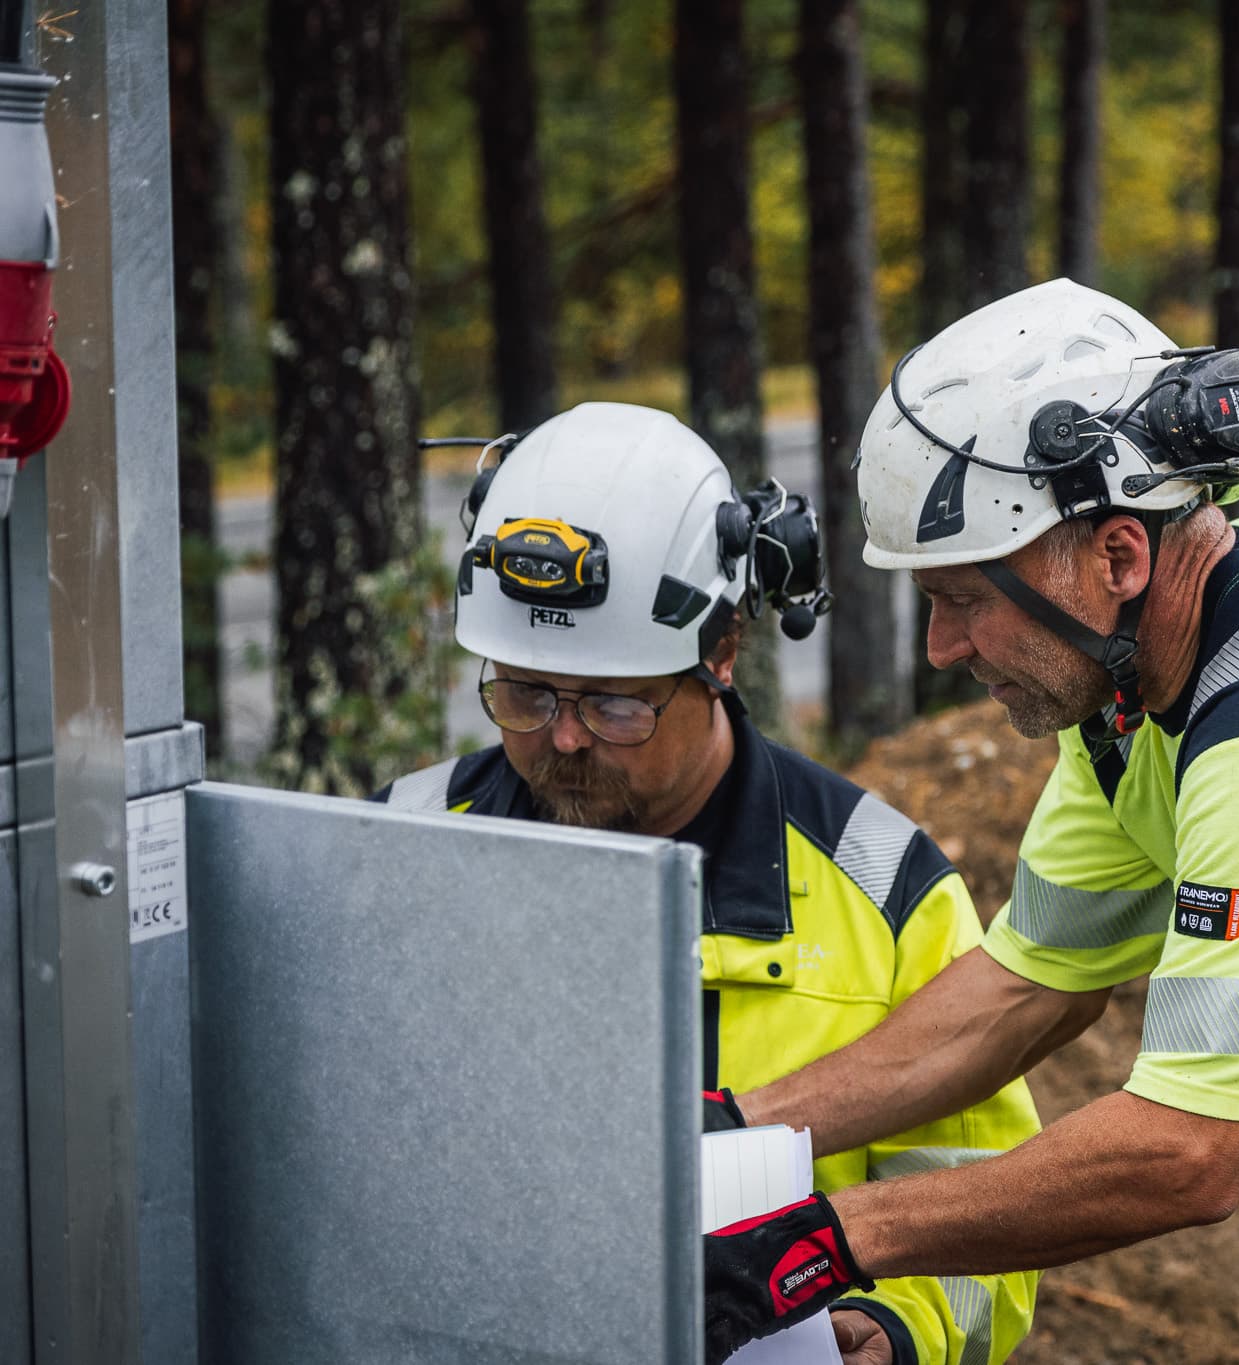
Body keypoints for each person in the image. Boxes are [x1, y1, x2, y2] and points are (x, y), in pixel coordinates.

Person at [699, 280, 1239, 1361]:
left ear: (1117, 556)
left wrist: (824, 1241)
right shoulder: (1141, 696)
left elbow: (1188, 1154)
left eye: (963, 599)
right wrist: (730, 1130)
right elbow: (1021, 994)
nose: (939, 650)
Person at [376, 401, 1041, 1365]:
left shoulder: (883, 897)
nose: (563, 739)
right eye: (524, 692)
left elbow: (989, 1204)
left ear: (721, 652)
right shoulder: (395, 857)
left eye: (614, 703)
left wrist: (901, 1329)